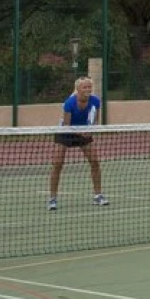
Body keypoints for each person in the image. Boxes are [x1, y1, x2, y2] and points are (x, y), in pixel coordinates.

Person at [49, 76, 107, 211]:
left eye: (89, 87)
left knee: (95, 162)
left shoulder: (96, 101)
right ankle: (52, 199)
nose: (87, 89)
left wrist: (90, 130)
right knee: (57, 164)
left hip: (84, 132)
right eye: (84, 87)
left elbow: (96, 120)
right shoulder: (69, 103)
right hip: (65, 133)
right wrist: (82, 133)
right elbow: (68, 125)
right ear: (78, 89)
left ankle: (98, 195)